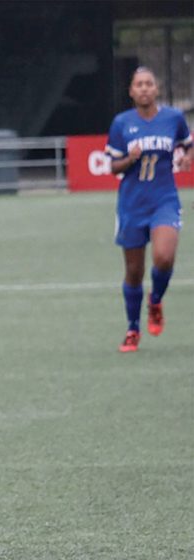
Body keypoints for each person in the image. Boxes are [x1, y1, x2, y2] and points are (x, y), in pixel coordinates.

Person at [106, 67, 193, 352]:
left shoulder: (173, 118)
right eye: (138, 84)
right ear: (131, 91)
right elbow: (113, 167)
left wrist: (186, 159)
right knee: (133, 271)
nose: (144, 88)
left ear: (157, 89)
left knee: (164, 257)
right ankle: (133, 329)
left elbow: (188, 143)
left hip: (164, 200)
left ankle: (155, 300)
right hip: (132, 204)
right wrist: (129, 159)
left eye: (149, 84)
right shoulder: (122, 123)